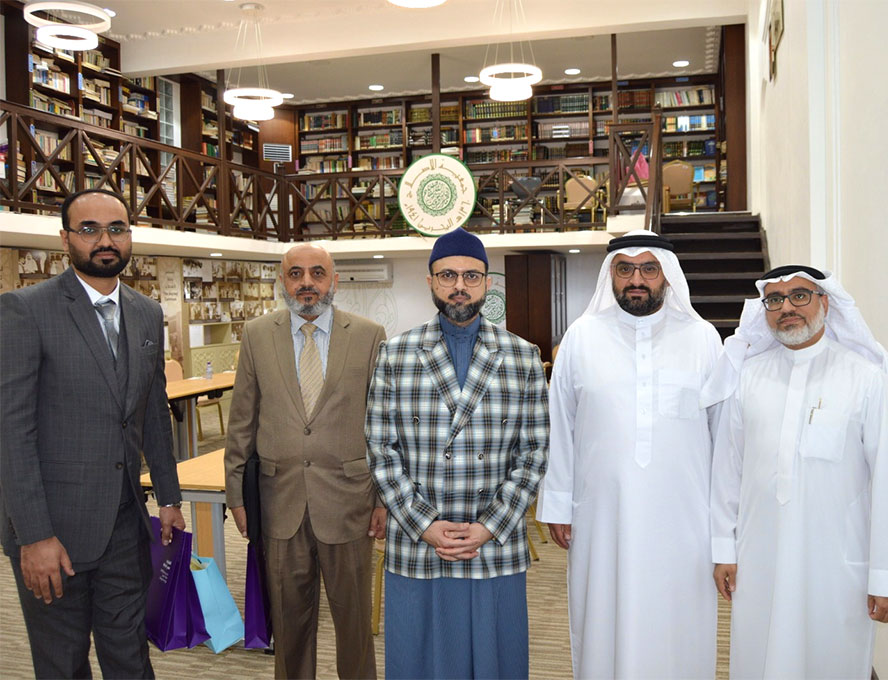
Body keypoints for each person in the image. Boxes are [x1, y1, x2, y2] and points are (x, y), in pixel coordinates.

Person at [0, 188, 184, 678]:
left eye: (117, 229)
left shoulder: (146, 313)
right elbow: (12, 434)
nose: (105, 240)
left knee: (130, 659)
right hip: (54, 533)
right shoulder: (25, 310)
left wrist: (168, 497)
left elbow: (151, 412)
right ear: (66, 239)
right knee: (63, 664)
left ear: (130, 237)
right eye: (89, 229)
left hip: (126, 523)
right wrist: (34, 536)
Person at [536, 229, 723, 678]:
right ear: (611, 276)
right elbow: (559, 425)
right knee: (603, 618)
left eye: (648, 268)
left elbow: (724, 439)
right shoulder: (580, 337)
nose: (636, 279)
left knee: (679, 625)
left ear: (666, 276)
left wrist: (724, 525)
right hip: (602, 519)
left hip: (685, 522)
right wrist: (558, 503)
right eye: (624, 269)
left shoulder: (703, 339)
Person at [706, 264, 888, 679]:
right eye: (775, 300)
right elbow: (728, 470)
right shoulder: (748, 376)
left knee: (831, 659)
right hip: (760, 557)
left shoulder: (865, 377)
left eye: (799, 295)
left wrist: (887, 577)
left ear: (825, 303)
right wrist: (723, 551)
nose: (787, 308)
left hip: (835, 563)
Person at [365, 227, 549, 679]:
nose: (459, 285)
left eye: (471, 275)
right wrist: (423, 524)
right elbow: (380, 449)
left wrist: (491, 526)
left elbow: (535, 451)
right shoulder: (396, 353)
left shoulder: (522, 356)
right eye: (447, 275)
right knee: (418, 659)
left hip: (493, 540)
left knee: (495, 660)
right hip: (419, 539)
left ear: (488, 283)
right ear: (430, 281)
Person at [224, 243, 387, 679]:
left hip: (350, 502)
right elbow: (242, 419)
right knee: (290, 627)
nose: (307, 283)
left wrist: (383, 499)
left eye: (317, 273)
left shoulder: (370, 335)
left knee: (354, 625)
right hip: (281, 502)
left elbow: (383, 423)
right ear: (283, 281)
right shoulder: (258, 334)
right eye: (296, 274)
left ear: (334, 280)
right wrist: (236, 494)